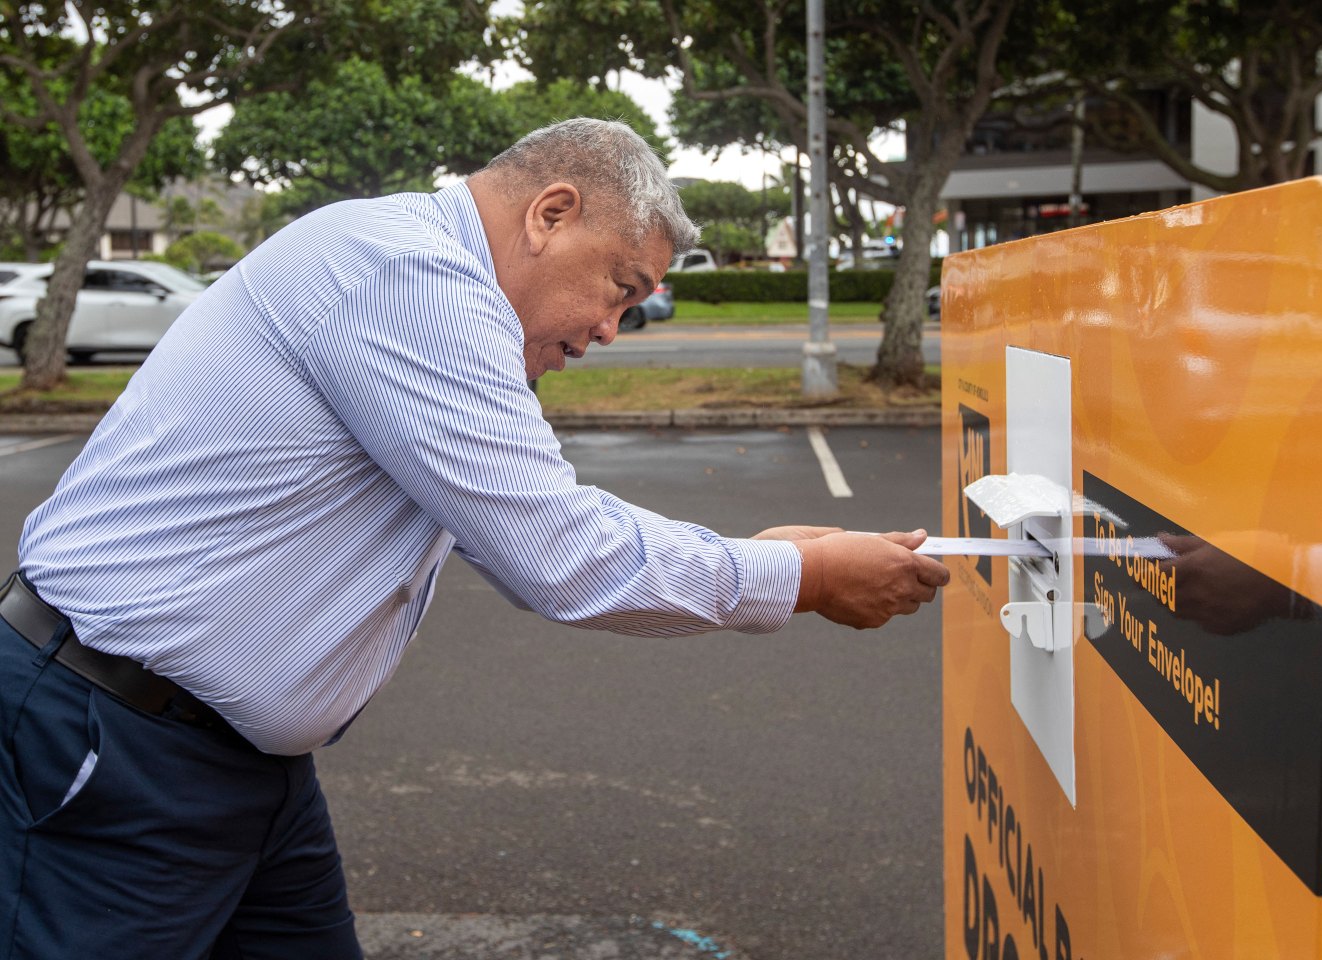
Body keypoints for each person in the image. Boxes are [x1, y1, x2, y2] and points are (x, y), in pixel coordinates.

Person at [0, 118, 948, 958]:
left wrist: (771, 560)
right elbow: (557, 552)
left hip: (231, 759)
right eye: (619, 288)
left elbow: (525, 519)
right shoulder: (407, 274)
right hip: (115, 741)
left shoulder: (414, 271)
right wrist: (802, 576)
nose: (611, 330)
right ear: (552, 214)